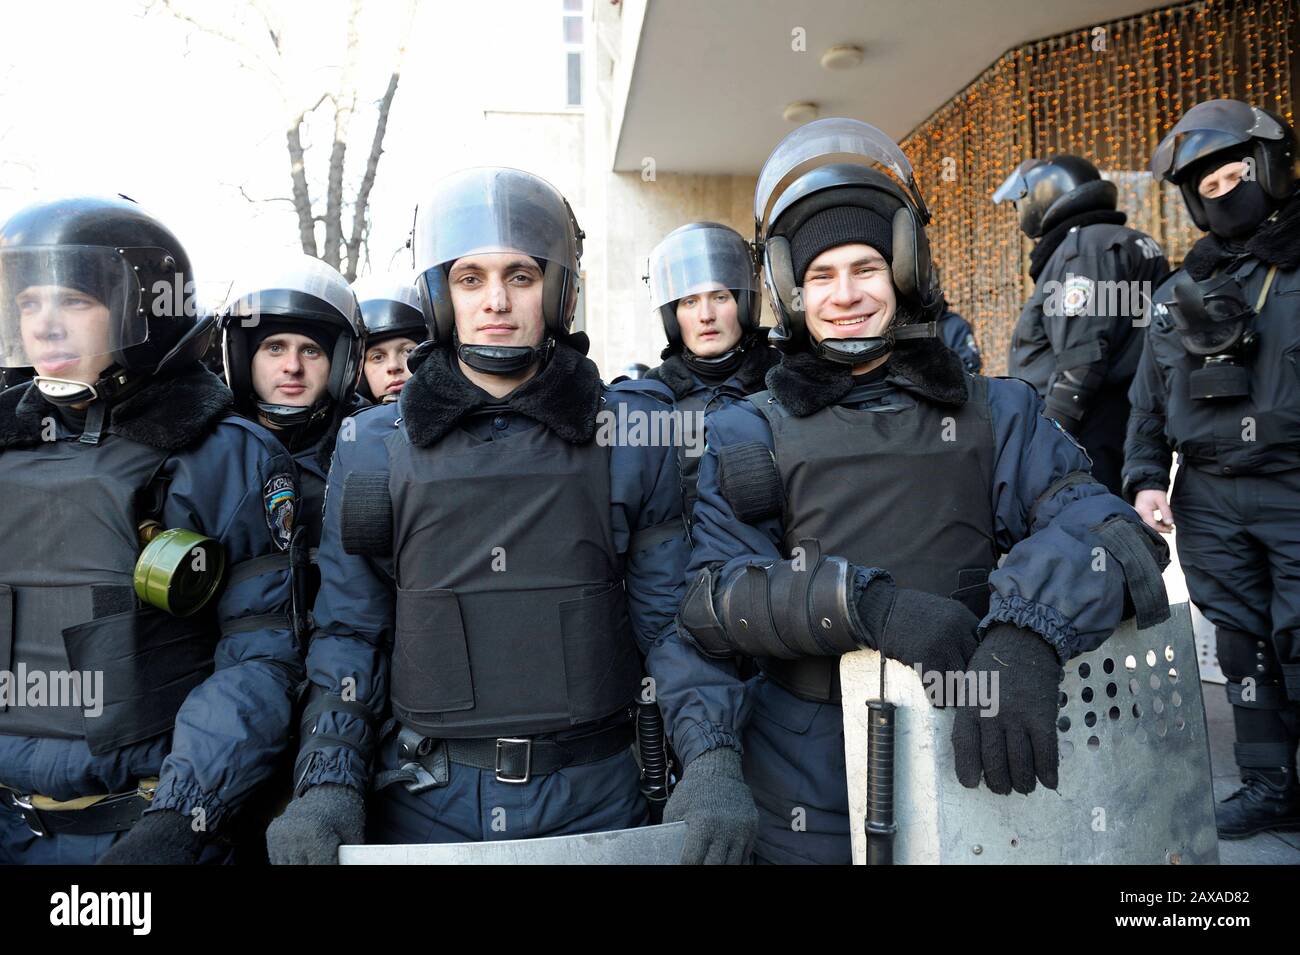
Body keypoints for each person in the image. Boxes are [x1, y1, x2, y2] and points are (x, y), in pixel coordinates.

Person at [680, 118, 1169, 865]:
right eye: (821, 276)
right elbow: (715, 597)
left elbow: (1111, 533)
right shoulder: (748, 433)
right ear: (789, 290)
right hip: (804, 792)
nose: (846, 295)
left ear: (905, 270)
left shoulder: (997, 412)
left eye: (866, 267)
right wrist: (863, 605)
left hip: (971, 756)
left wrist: (1028, 631)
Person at [266, 167, 756, 865]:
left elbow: (672, 626)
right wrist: (325, 784)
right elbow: (350, 633)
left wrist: (711, 758)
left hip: (597, 795)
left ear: (557, 291)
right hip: (427, 801)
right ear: (440, 295)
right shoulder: (372, 448)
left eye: (520, 277)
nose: (496, 300)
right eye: (471, 279)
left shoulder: (627, 437)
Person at [0, 195, 301, 864]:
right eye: (28, 303)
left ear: (142, 313)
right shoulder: (6, 448)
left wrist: (179, 818)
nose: (45, 324)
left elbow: (260, 656)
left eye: (74, 301)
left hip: (146, 830)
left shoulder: (220, 454)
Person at [1127, 98, 1300, 839]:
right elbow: (1146, 403)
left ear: (1267, 169)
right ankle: (1269, 786)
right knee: (1242, 642)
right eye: (1209, 187)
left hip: (1293, 486)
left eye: (1236, 175)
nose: (1224, 192)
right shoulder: (1175, 295)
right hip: (1207, 496)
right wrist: (1143, 480)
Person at [995, 154, 1170, 496]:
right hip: (1118, 418)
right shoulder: (1127, 240)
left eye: (1023, 201)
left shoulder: (1084, 249)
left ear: (1046, 194)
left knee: (1087, 530)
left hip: (1087, 428)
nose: (1021, 211)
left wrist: (1050, 435)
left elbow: (1082, 357)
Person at [644, 222, 779, 530]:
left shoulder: (783, 381)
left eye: (719, 297)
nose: (706, 315)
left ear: (744, 304)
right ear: (673, 316)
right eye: (689, 301)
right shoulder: (651, 397)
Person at [352, 273, 427, 405]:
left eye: (409, 351)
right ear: (360, 373)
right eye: (377, 357)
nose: (393, 366)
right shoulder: (346, 426)